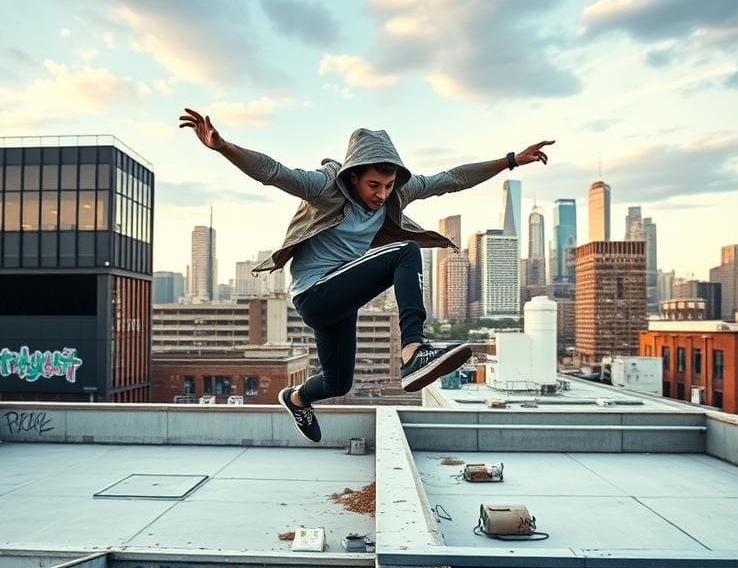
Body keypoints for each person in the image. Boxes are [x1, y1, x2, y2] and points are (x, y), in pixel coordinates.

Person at [180, 108, 553, 442]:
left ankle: (295, 399)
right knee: (406, 251)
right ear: (354, 177)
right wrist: (223, 146)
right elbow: (274, 172)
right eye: (374, 185)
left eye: (388, 186)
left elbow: (451, 178)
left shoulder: (397, 194)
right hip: (313, 293)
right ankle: (412, 351)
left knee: (338, 382)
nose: (381, 195)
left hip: (341, 296)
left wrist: (510, 160)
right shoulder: (324, 187)